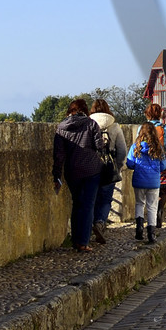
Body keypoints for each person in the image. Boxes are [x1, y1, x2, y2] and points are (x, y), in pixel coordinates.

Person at [52, 99, 103, 252]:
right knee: (88, 206)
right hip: (91, 170)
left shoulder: (61, 128)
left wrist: (57, 176)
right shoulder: (91, 124)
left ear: (70, 111)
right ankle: (83, 242)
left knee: (77, 204)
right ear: (84, 110)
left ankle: (75, 240)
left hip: (72, 171)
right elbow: (99, 146)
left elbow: (59, 155)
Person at [89, 98, 128, 244]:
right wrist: (117, 166)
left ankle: (89, 226)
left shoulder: (89, 124)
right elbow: (122, 150)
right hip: (108, 167)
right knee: (106, 199)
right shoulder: (115, 126)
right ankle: (100, 222)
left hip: (91, 166)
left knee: (91, 197)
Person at [126, 123, 165, 245]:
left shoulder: (135, 147)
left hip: (139, 180)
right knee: (152, 207)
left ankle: (139, 228)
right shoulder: (159, 148)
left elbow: (130, 164)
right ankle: (151, 233)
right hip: (153, 182)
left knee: (139, 203)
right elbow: (163, 166)